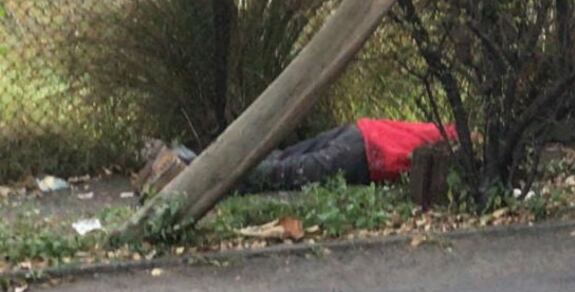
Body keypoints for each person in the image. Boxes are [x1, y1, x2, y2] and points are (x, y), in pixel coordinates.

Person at [140, 118, 456, 196]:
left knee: (280, 159)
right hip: (369, 154)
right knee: (286, 173)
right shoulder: (465, 146)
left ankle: (192, 159)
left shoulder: (454, 127)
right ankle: (196, 174)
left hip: (362, 131)